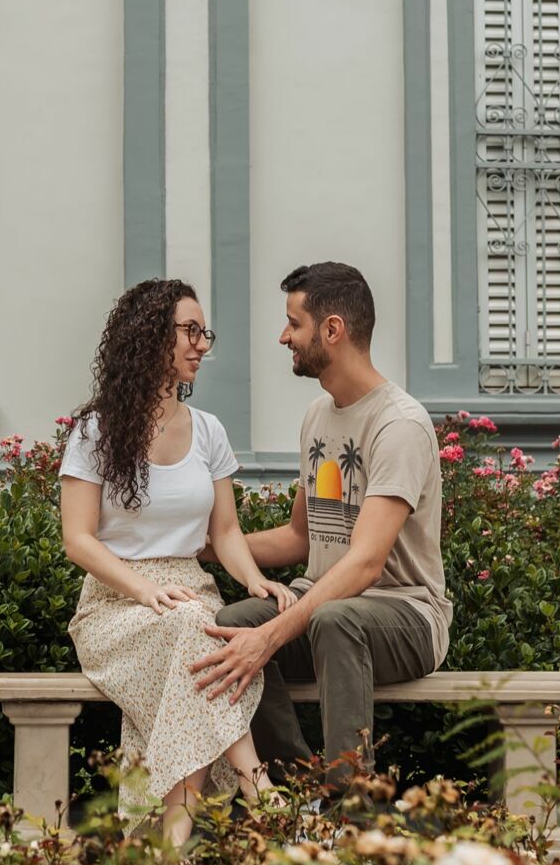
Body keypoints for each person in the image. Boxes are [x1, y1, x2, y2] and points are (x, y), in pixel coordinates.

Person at [190, 261, 449, 789]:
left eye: (294, 323)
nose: (283, 336)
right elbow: (300, 538)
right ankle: (294, 792)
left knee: (335, 621)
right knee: (232, 619)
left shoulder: (398, 424)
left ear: (333, 330)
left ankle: (349, 810)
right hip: (327, 606)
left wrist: (273, 637)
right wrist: (203, 548)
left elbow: (366, 563)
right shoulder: (317, 416)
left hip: (406, 614)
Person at [59, 278, 294, 843]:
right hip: (116, 606)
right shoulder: (94, 431)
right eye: (190, 330)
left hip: (191, 596)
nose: (202, 344)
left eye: (203, 332)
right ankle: (256, 784)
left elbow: (227, 531)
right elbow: (78, 540)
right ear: (149, 337)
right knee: (197, 632)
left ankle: (173, 847)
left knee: (195, 634)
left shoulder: (208, 430)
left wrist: (256, 580)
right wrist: (144, 590)